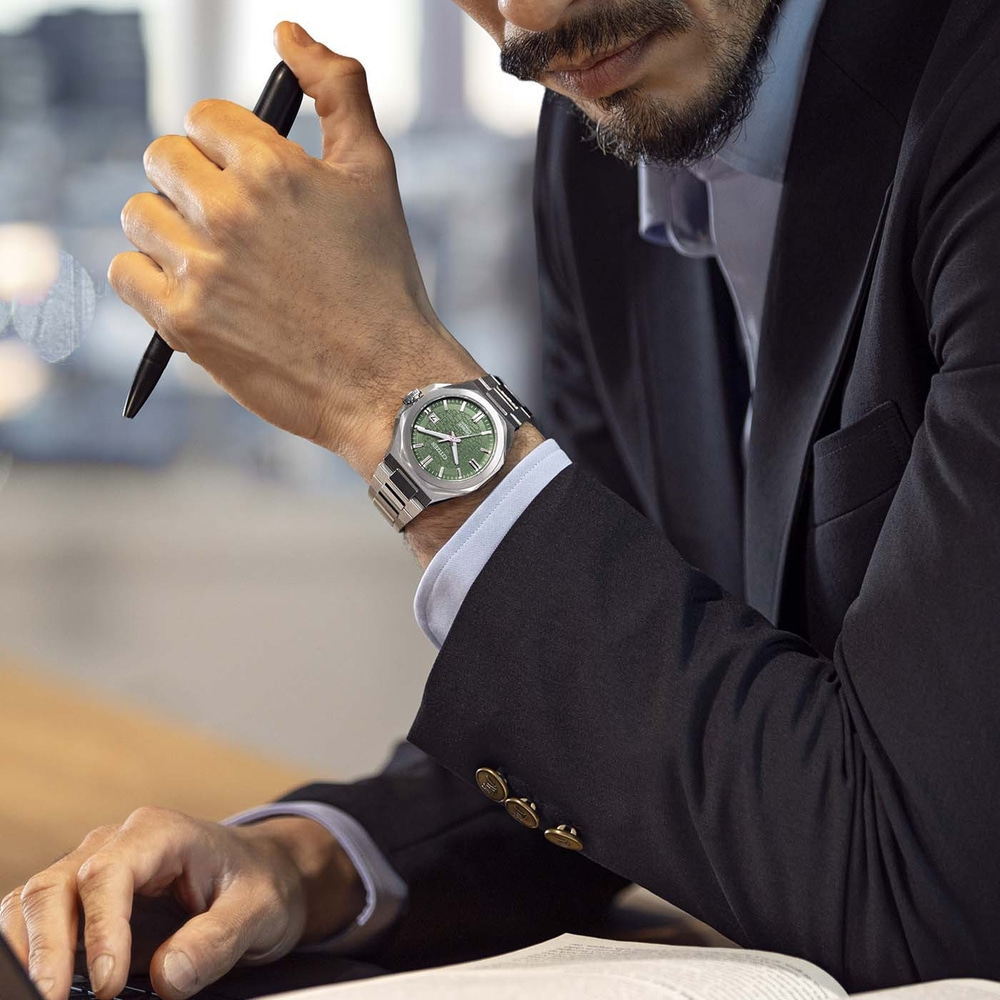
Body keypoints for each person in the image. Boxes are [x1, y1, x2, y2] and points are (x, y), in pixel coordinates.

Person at [4, 0, 1000, 997]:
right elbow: (642, 705)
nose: (528, 21)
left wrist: (396, 398)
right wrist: (311, 864)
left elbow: (923, 889)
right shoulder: (604, 145)